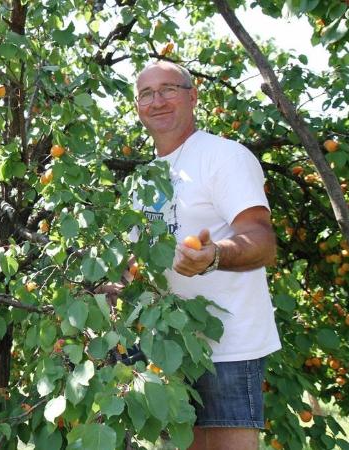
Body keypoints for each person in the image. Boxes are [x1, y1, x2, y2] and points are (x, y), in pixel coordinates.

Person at [132, 61, 281, 450]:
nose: (157, 101)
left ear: (192, 96)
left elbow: (262, 241)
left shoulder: (223, 156)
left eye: (168, 89)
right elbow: (145, 261)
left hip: (227, 344)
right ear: (137, 107)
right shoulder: (146, 176)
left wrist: (213, 256)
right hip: (168, 343)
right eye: (146, 94)